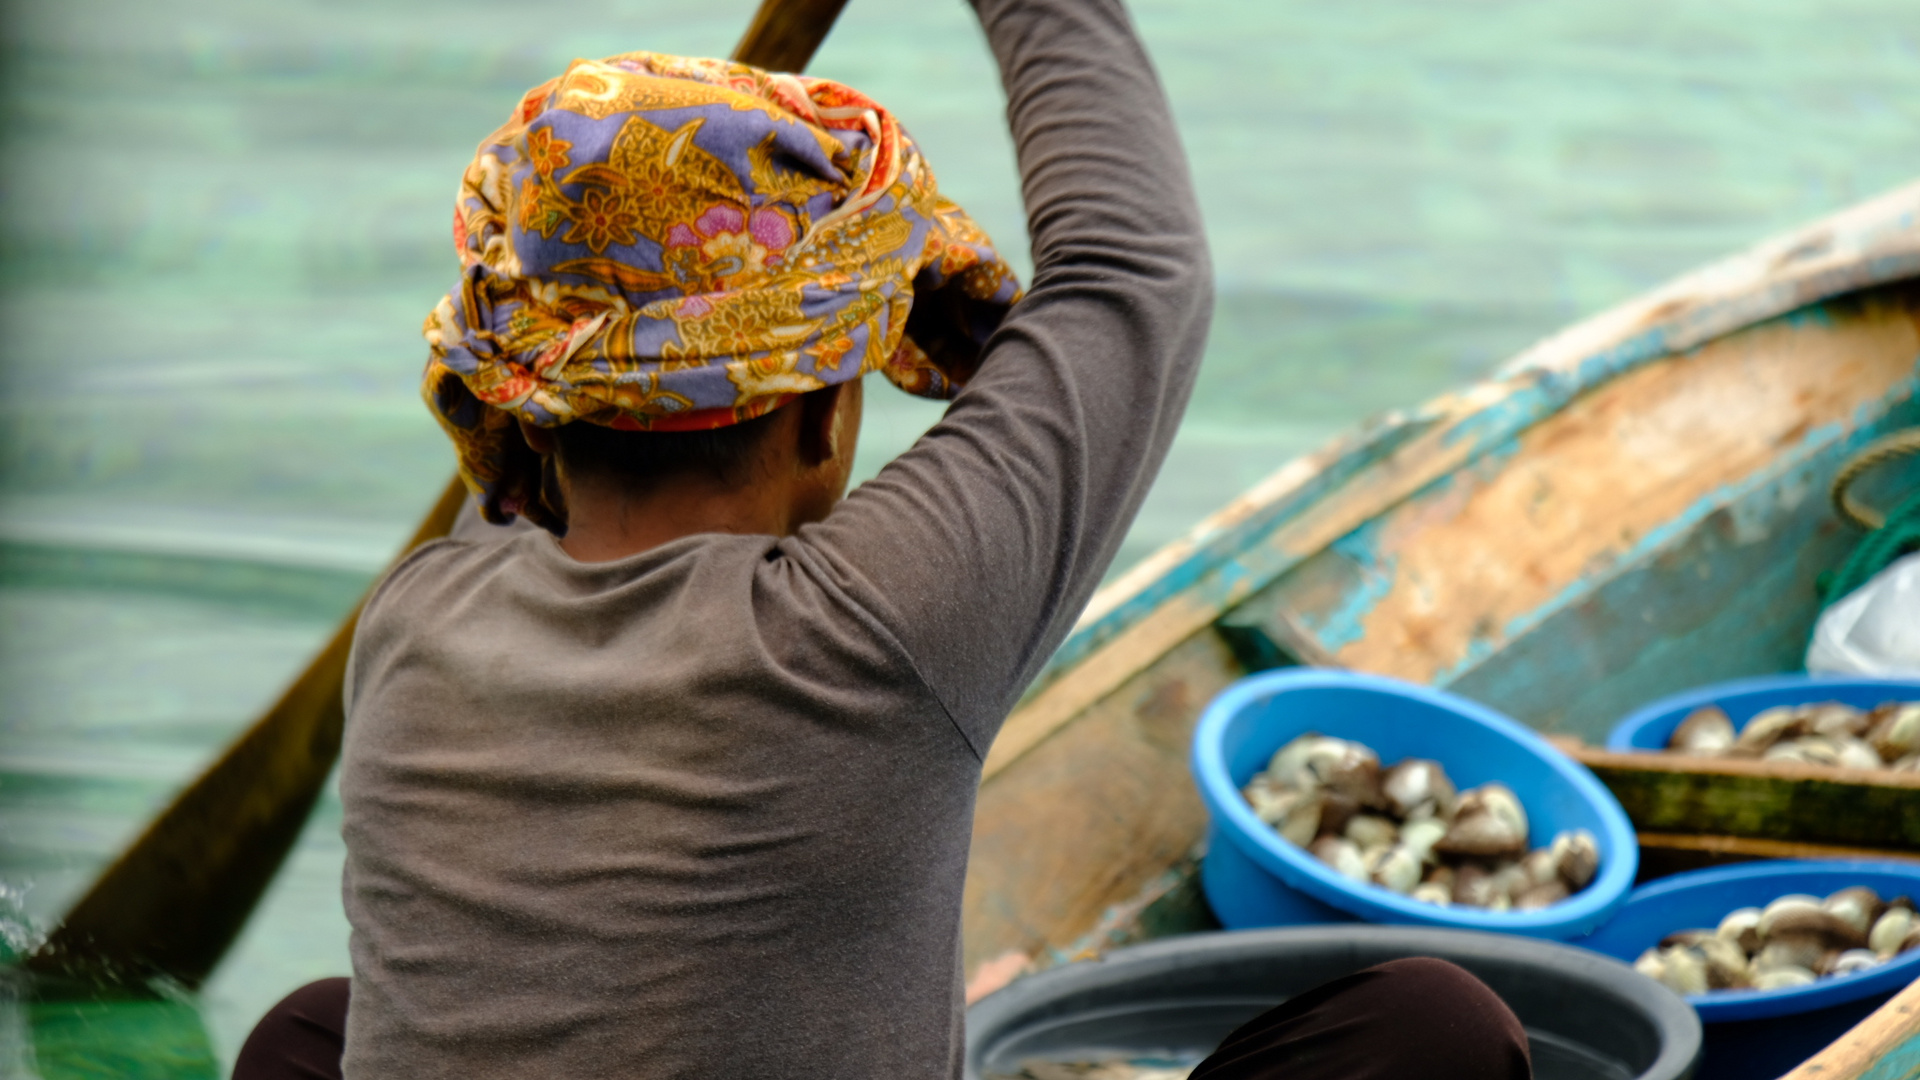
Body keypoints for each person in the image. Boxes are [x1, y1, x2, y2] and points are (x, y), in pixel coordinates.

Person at [237, 0, 1533, 1076]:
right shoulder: (867, 626)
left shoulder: (417, 621)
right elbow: (1133, 272)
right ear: (819, 416)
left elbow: (562, 393)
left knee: (308, 1037)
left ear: (531, 387)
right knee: (1432, 1033)